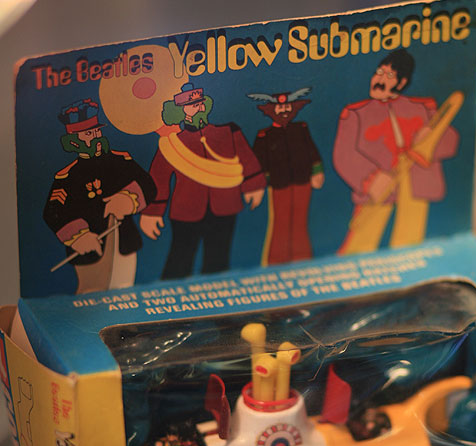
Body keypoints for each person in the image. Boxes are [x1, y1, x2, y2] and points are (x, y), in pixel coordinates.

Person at [333, 49, 461, 253]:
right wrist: (371, 178)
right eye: (379, 72)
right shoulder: (356, 114)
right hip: (380, 181)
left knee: (410, 242)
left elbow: (451, 141)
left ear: (401, 83)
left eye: (389, 75)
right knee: (360, 242)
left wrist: (432, 136)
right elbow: (344, 155)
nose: (380, 79)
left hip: (417, 181)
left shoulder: (422, 108)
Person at [140, 82, 265, 278]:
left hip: (225, 206)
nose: (198, 108)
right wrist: (152, 213)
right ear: (181, 111)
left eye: (199, 103)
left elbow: (246, 157)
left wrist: (253, 185)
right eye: (192, 105)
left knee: (218, 259)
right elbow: (159, 178)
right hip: (186, 211)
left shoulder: (228, 131)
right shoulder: (171, 144)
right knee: (180, 259)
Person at [44, 98, 157, 293]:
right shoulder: (67, 177)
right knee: (89, 294)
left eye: (97, 131)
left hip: (124, 244)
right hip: (89, 252)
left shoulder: (121, 160)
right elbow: (53, 212)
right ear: (73, 140)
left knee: (125, 291)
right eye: (89, 133)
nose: (96, 137)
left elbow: (148, 185)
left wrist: (129, 199)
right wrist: (79, 236)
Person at [247, 87, 324, 264]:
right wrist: (258, 184)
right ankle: (276, 260)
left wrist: (317, 171)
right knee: (280, 221)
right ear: (271, 110)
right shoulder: (264, 135)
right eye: (280, 107)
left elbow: (311, 150)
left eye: (287, 106)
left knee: (300, 219)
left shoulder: (301, 128)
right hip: (279, 183)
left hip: (302, 180)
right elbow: (258, 161)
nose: (284, 110)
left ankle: (302, 257)